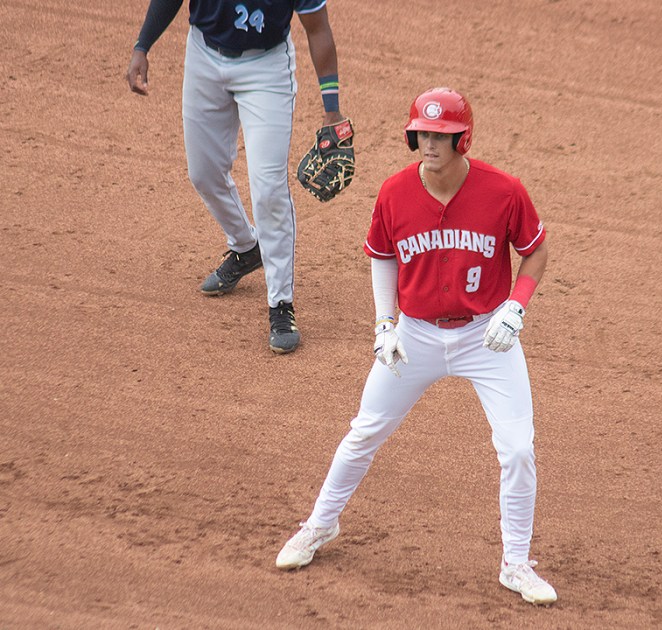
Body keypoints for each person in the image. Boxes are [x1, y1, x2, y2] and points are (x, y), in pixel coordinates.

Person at [274, 88, 556, 605]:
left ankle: (516, 563)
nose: (429, 143)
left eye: (441, 135)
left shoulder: (504, 192)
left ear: (462, 138)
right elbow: (382, 256)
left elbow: (534, 254)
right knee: (364, 432)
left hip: (484, 337)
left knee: (517, 449)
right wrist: (385, 323)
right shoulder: (395, 193)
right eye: (423, 133)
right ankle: (319, 526)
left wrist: (515, 308)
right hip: (416, 335)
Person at [126, 0, 349, 353]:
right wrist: (143, 45)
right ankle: (246, 247)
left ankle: (281, 304)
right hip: (204, 56)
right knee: (203, 173)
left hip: (267, 68)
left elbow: (318, 29)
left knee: (269, 189)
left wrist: (332, 108)